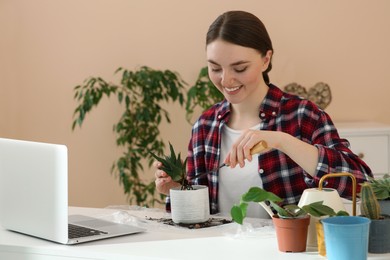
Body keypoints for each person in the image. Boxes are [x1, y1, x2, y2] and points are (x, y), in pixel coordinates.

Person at [154, 10, 372, 218]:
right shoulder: (205, 126)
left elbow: (363, 185)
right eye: (215, 68)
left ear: (266, 60)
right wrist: (177, 190)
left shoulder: (303, 115)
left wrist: (282, 141)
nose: (226, 80)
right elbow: (196, 218)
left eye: (239, 68)